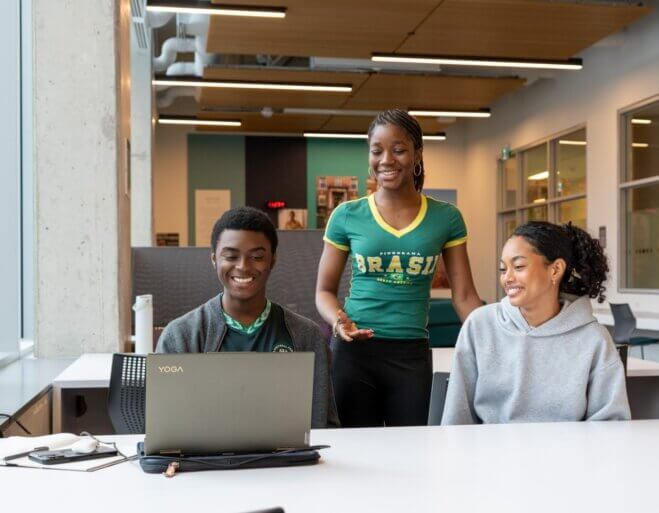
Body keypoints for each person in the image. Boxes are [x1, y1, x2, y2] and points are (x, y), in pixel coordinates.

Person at [315, 109, 483, 427]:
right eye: (377, 151)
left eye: (399, 150)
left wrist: (493, 339)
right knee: (355, 449)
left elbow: (464, 296)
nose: (386, 160)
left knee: (413, 449)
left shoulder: (446, 218)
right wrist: (338, 322)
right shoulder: (347, 215)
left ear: (417, 154)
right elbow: (324, 291)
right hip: (354, 353)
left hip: (411, 354)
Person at [157, 206, 339, 428]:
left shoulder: (307, 336)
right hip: (204, 452)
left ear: (272, 261)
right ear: (214, 259)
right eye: (231, 256)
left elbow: (323, 425)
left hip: (285, 451)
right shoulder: (180, 335)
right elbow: (166, 426)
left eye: (256, 257)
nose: (243, 266)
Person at [441, 221, 631, 425]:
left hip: (567, 447)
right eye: (503, 269)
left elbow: (611, 424)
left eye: (519, 267)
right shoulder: (479, 325)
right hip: (490, 446)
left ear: (555, 270)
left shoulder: (594, 339)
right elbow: (456, 419)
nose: (507, 278)